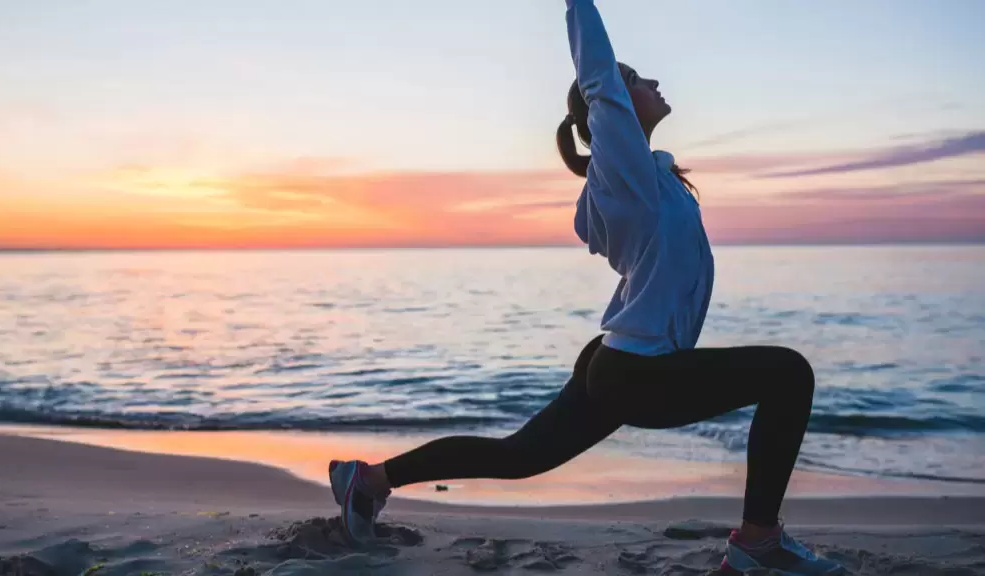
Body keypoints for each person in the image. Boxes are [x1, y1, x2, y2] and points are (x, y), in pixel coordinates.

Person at [328, 1, 844, 574]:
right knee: (789, 374)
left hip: (621, 361)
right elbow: (598, 76)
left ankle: (368, 481)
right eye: (636, 80)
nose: (652, 81)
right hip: (638, 372)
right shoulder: (622, 174)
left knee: (519, 456)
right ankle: (757, 542)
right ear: (615, 108)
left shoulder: (644, 177)